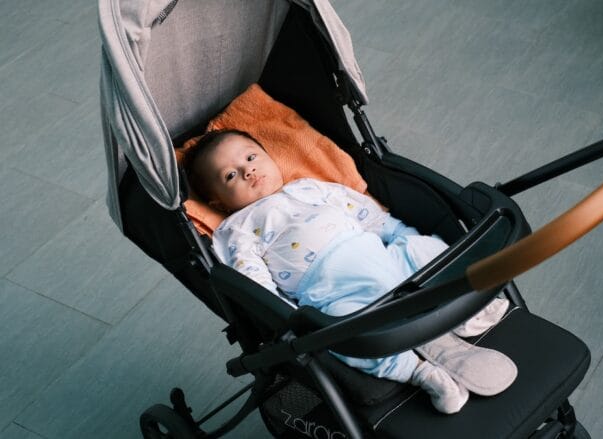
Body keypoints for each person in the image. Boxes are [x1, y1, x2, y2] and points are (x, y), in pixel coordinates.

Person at [185, 129, 509, 414]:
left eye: (252, 157)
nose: (248, 170)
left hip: (385, 259)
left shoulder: (309, 188)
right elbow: (252, 278)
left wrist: (400, 234)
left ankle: (469, 310)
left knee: (424, 247)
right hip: (336, 294)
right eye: (230, 175)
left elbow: (368, 214)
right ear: (217, 203)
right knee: (342, 336)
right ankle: (418, 372)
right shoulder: (238, 228)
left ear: (270, 157)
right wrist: (290, 316)